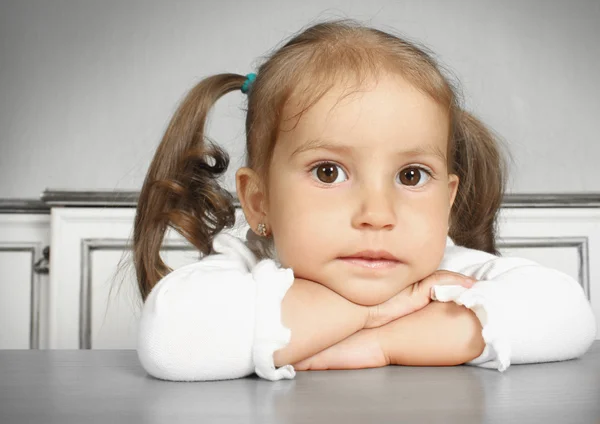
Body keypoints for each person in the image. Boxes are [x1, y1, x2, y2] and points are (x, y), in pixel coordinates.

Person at [133, 20, 596, 381]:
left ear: (447, 202)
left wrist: (384, 343)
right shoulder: (246, 260)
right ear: (259, 202)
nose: (377, 215)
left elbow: (569, 314)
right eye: (329, 172)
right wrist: (375, 310)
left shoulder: (446, 267)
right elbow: (172, 341)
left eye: (411, 176)